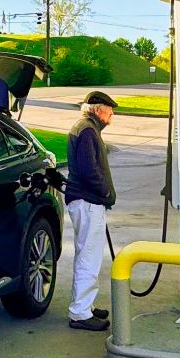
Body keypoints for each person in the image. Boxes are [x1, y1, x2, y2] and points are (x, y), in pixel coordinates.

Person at [64, 90, 117, 331]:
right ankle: (80, 312)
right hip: (88, 202)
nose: (111, 116)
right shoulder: (87, 130)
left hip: (86, 201)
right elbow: (89, 170)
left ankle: (85, 305)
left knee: (87, 254)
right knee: (89, 257)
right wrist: (104, 192)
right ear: (97, 110)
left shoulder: (86, 127)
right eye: (109, 112)